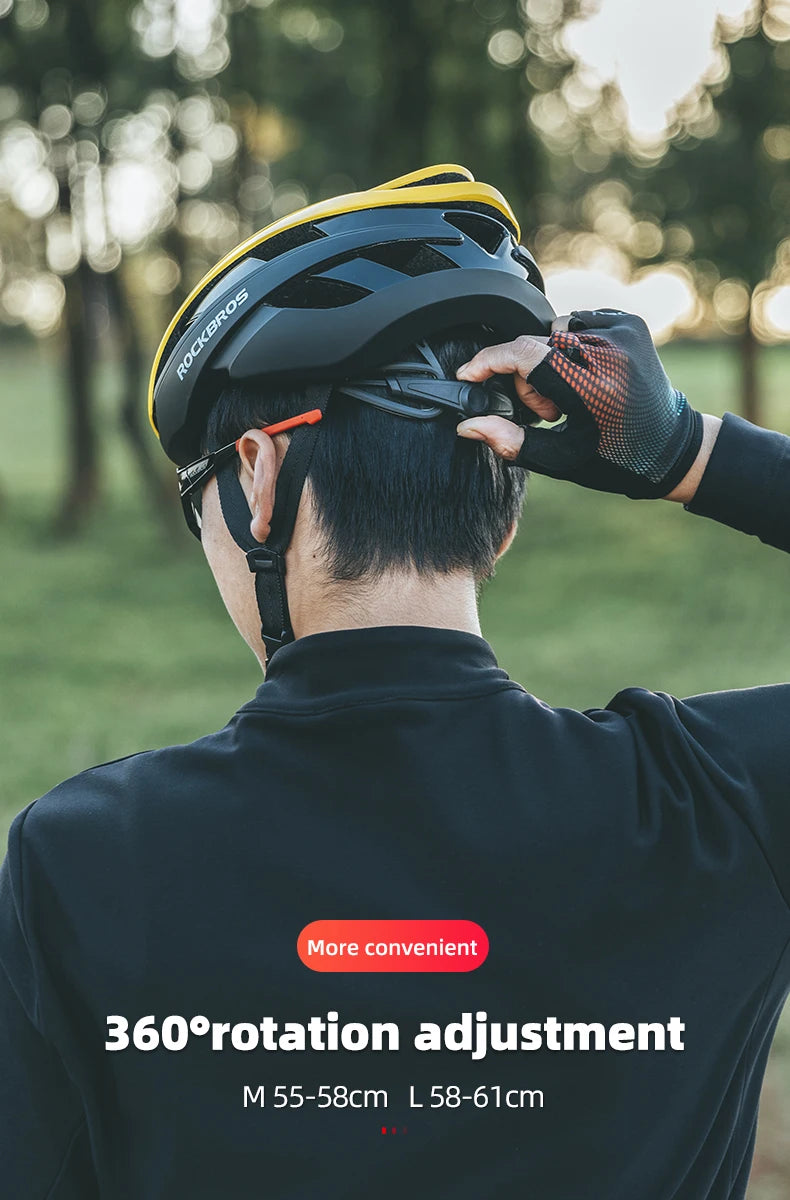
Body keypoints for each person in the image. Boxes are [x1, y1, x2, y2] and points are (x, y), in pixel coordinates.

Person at [1, 164, 789, 1200]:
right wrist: (689, 451)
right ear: (502, 520)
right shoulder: (719, 806)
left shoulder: (80, 863)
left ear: (257, 478)